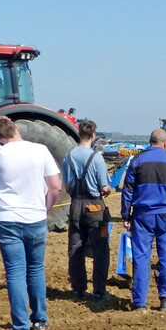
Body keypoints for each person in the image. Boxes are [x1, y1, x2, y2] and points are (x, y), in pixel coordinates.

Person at [0, 116, 62, 330]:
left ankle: (21, 327)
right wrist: (44, 209)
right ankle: (40, 319)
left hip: (7, 219)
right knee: (36, 269)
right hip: (35, 218)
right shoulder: (40, 150)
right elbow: (55, 187)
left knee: (15, 272)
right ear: (16, 128)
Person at [120, 129, 166, 311]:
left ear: (150, 142)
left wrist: (126, 215)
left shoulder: (137, 161)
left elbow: (127, 191)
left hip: (143, 215)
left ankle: (139, 302)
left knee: (141, 257)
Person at [62, 119, 112, 301]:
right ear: (92, 135)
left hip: (75, 205)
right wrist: (105, 191)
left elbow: (67, 186)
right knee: (100, 249)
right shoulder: (96, 158)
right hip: (95, 206)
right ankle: (99, 290)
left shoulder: (68, 157)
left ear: (79, 134)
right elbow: (105, 187)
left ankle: (78, 289)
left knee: (75, 247)